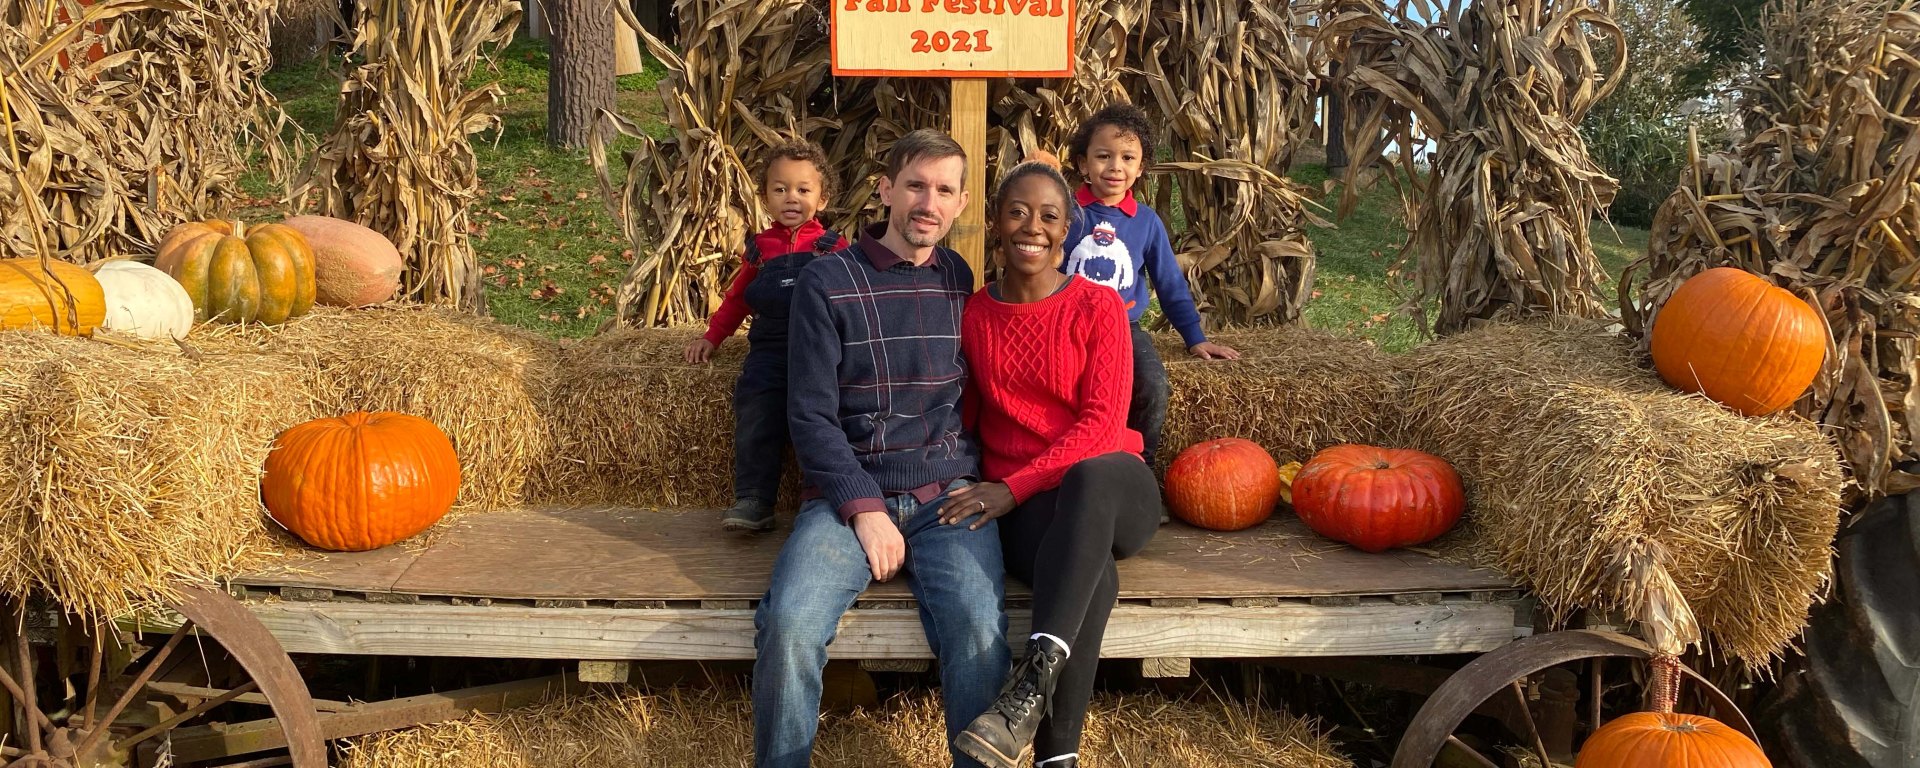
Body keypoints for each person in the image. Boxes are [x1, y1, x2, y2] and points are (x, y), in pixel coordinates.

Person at [753, 129, 1008, 768]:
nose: (929, 202)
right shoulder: (826, 280)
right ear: (886, 189)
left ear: (961, 202)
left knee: (979, 631)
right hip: (847, 496)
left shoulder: (957, 275)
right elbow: (808, 414)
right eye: (916, 185)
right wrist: (863, 508)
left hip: (947, 493)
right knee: (788, 624)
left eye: (945, 190)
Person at [945, 157, 1164, 768]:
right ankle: (1055, 754)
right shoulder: (975, 316)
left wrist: (1010, 489)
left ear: (1066, 229)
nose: (1031, 227)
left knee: (1092, 475)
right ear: (994, 223)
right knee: (1096, 579)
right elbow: (960, 417)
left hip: (1112, 491)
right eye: (1017, 211)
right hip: (1036, 510)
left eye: (1048, 215)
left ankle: (1028, 687)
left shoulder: (1097, 308)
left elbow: (1101, 425)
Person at [1062, 103, 1241, 471]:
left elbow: (1170, 283)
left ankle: (1139, 472)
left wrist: (1195, 337)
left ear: (1140, 169)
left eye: (1128, 157)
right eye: (1103, 156)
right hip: (1064, 325)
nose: (1115, 166)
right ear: (1083, 164)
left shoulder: (1146, 222)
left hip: (1122, 328)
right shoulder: (1064, 213)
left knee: (1153, 388)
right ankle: (1069, 469)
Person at [684, 140, 851, 532]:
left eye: (803, 190)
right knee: (757, 409)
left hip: (820, 351)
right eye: (780, 189)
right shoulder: (760, 250)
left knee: (825, 415)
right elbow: (737, 298)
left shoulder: (833, 248)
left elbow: (853, 300)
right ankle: (754, 498)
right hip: (770, 350)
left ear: (822, 198)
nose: (791, 198)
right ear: (765, 197)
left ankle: (826, 493)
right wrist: (712, 337)